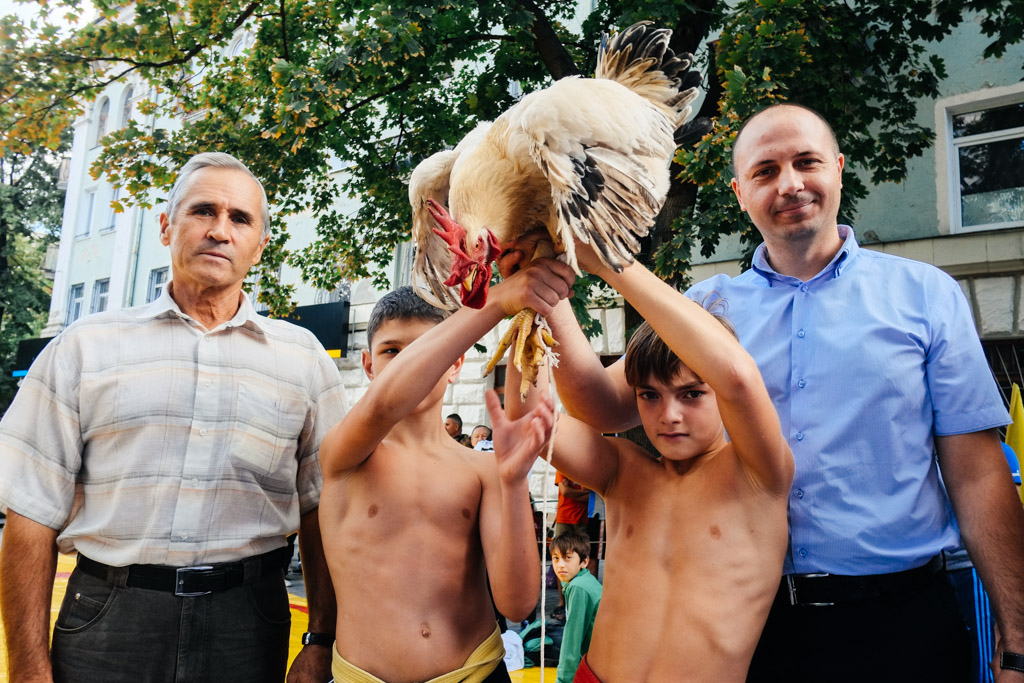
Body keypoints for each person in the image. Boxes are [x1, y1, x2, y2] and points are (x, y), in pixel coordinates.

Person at [519, 103, 1024, 682]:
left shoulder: (926, 295)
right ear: (739, 192)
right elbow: (602, 404)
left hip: (897, 618)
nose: (790, 184)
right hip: (751, 634)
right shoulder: (704, 305)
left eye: (806, 162)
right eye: (765, 171)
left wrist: (1019, 642)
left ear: (837, 169)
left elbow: (980, 474)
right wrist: (543, 288)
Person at [0, 152, 349, 683]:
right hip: (108, 620)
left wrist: (321, 638)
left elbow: (324, 509)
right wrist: (27, 667)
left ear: (260, 245)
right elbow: (29, 515)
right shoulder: (85, 347)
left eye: (240, 219)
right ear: (166, 227)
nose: (219, 230)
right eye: (202, 211)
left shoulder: (302, 359)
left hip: (248, 622)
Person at [503, 250, 794, 682]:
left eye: (692, 394)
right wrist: (538, 299)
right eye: (649, 395)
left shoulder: (758, 473)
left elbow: (736, 375)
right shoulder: (624, 471)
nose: (669, 415)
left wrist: (605, 258)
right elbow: (529, 423)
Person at [316, 261, 573, 683]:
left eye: (428, 349)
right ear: (368, 365)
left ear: (454, 365)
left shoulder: (483, 468)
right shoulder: (345, 454)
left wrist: (513, 483)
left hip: (475, 672)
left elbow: (518, 604)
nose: (411, 365)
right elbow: (384, 404)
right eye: (392, 352)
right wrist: (496, 303)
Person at [549, 531, 602, 683]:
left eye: (568, 558)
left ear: (584, 562)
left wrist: (564, 680)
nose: (560, 565)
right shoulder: (583, 579)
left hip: (596, 662)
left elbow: (572, 642)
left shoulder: (578, 588)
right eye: (556, 558)